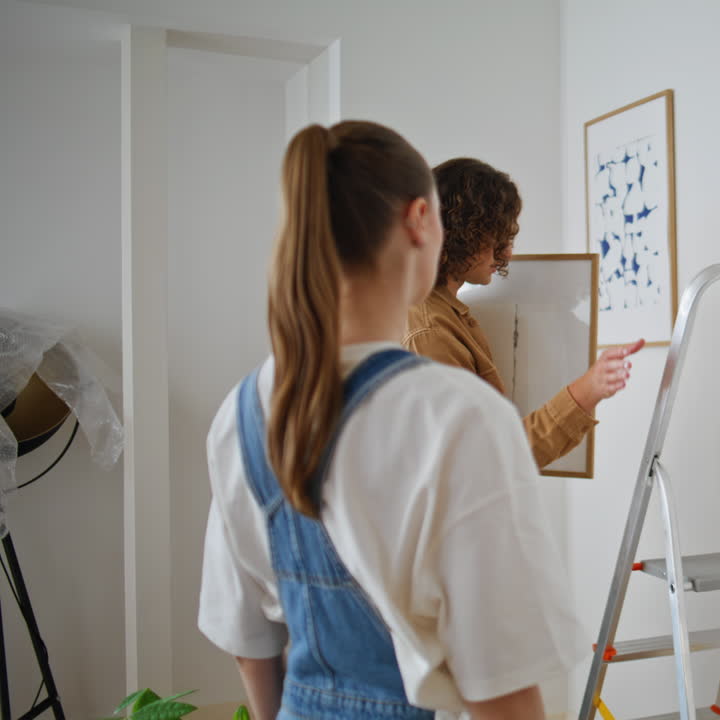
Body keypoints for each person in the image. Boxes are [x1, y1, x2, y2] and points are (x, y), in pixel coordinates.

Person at [198, 122, 582, 720]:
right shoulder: (457, 416)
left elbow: (249, 644)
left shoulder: (244, 411)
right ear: (421, 220)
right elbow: (501, 688)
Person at [403, 158, 643, 468]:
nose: (506, 253)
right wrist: (587, 390)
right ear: (461, 233)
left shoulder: (443, 315)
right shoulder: (430, 332)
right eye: (495, 238)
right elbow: (486, 457)